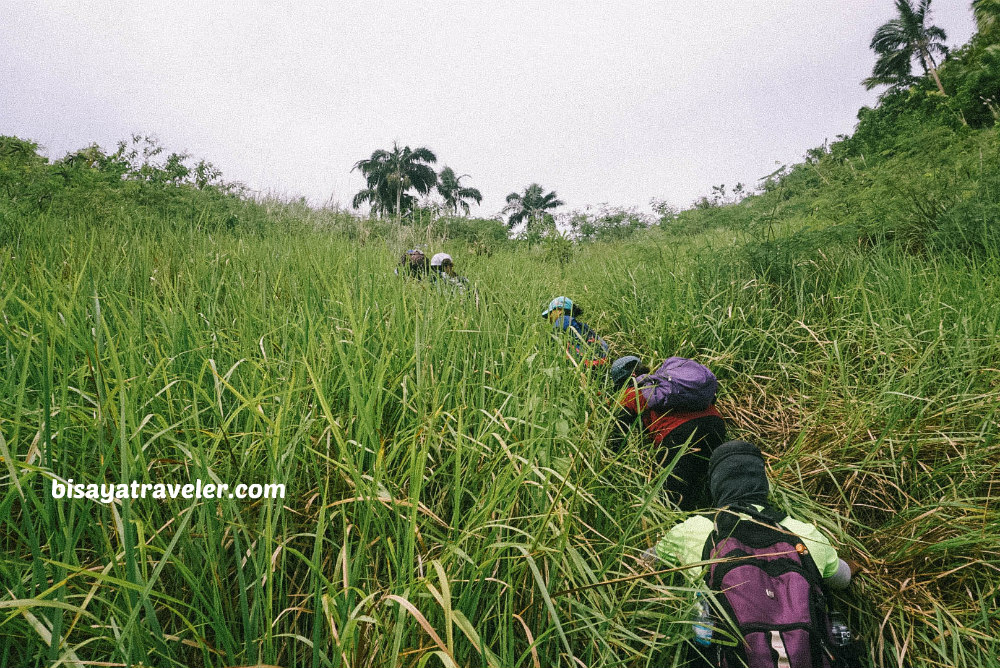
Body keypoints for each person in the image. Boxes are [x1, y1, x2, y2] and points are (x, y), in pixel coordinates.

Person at [652, 441, 859, 667]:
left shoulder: (692, 530)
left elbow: (646, 561)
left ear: (716, 484)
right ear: (763, 482)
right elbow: (843, 579)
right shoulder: (804, 533)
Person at [608, 355, 726, 511]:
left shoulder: (634, 392)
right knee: (708, 487)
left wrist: (611, 469)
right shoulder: (668, 384)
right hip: (716, 425)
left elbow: (617, 436)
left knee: (673, 501)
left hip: (680, 435)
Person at [542, 296, 609, 367]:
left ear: (559, 310)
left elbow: (550, 342)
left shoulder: (562, 321)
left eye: (550, 313)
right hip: (600, 362)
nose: (549, 318)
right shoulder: (582, 326)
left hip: (582, 364)